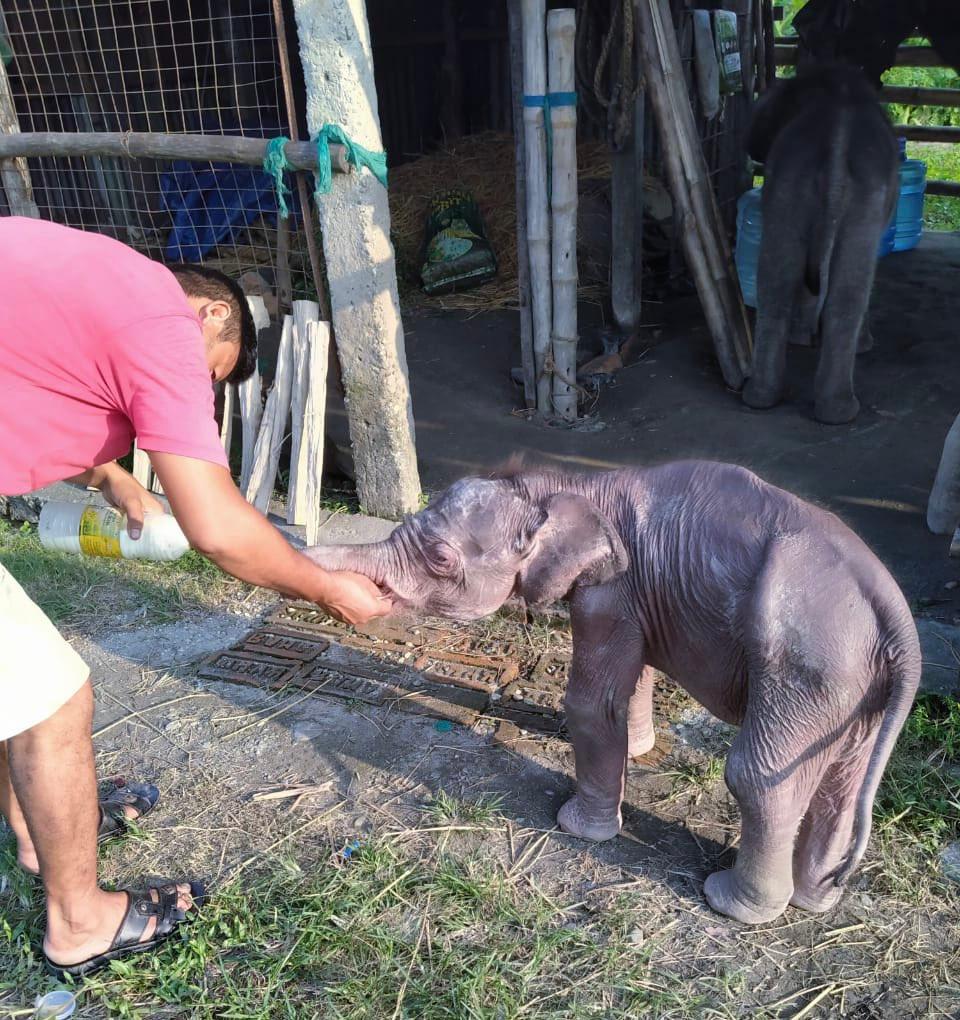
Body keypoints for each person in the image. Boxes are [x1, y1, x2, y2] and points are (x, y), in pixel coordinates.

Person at [0, 217, 392, 978]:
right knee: (53, 703)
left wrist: (108, 473)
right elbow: (215, 527)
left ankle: (29, 827)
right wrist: (322, 586)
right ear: (212, 315)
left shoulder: (92, 277)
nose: (201, 394)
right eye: (215, 376)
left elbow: (30, 370)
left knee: (17, 686)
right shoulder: (160, 320)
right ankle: (80, 924)